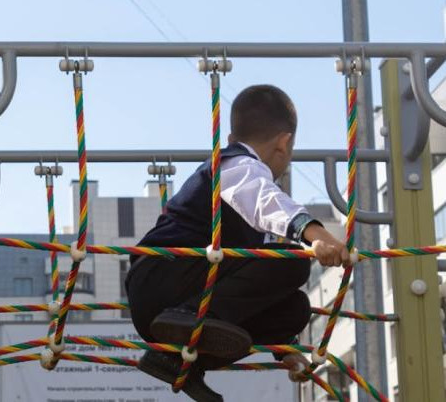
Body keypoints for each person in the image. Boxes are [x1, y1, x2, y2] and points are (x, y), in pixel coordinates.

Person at [126, 84, 351, 402]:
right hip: (163, 278)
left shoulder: (235, 166)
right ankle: (188, 320)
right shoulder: (235, 164)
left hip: (179, 293)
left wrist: (284, 349)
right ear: (284, 144)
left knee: (295, 308)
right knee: (292, 261)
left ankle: (180, 362)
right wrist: (315, 233)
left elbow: (253, 285)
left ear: (232, 135)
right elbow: (263, 198)